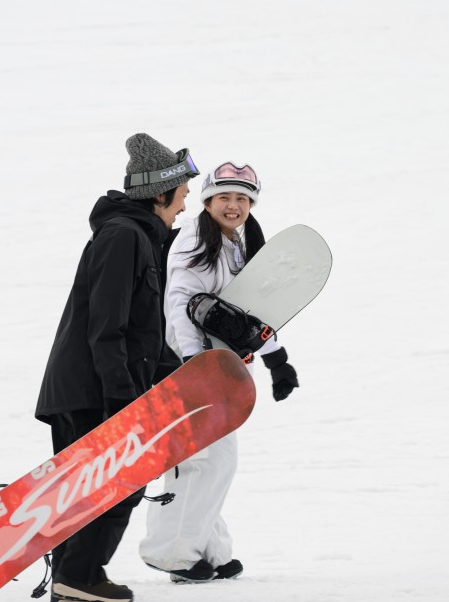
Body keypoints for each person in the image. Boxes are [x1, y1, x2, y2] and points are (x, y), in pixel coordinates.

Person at [35, 133, 200, 602]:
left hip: (97, 387)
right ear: (159, 194)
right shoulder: (123, 237)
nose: (184, 205)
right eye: (182, 194)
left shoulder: (140, 238)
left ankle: (73, 580)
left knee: (94, 488)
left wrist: (183, 377)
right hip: (92, 390)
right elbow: (108, 327)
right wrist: (121, 399)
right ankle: (79, 576)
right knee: (114, 484)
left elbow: (145, 335)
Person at [138, 162, 300, 583]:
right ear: (208, 201)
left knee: (212, 460)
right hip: (189, 366)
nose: (233, 205)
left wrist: (276, 358)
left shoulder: (235, 243)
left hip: (216, 367)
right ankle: (173, 554)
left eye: (242, 198)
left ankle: (208, 551)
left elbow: (245, 312)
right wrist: (196, 365)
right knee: (203, 460)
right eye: (224, 197)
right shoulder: (196, 237)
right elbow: (180, 303)